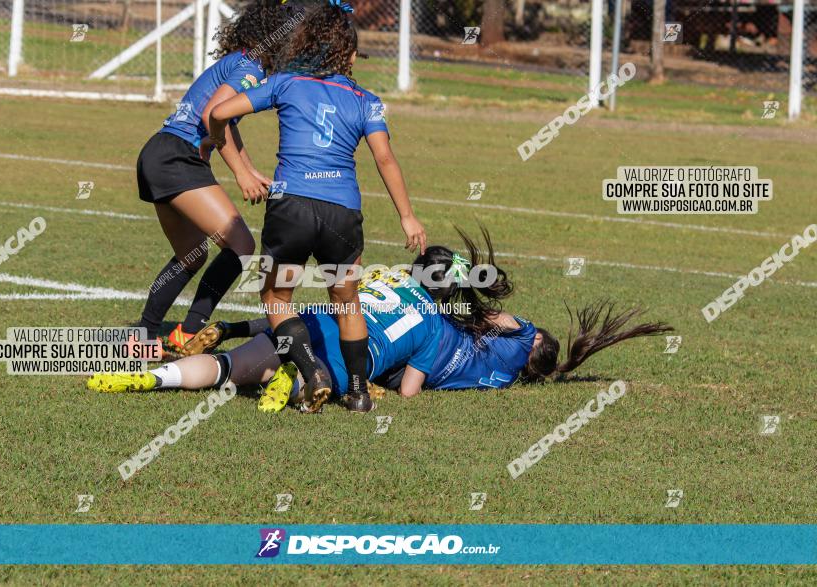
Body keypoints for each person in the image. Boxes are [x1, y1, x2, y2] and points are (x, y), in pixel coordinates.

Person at [88, 228, 673, 408]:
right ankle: (272, 373)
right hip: (349, 361)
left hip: (322, 321)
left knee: (280, 330)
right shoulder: (447, 337)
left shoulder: (401, 285)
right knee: (244, 369)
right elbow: (415, 386)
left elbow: (335, 301)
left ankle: (218, 350)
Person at [202, 1, 426, 414]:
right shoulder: (367, 100)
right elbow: (385, 159)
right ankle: (358, 394)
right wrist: (407, 216)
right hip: (343, 214)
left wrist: (220, 142)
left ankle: (311, 371)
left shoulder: (286, 82)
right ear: (351, 56)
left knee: (275, 296)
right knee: (347, 302)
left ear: (304, 44)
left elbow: (218, 112)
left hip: (292, 208)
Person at [133, 0, 296, 353]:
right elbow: (213, 116)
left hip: (159, 153)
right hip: (178, 157)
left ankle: (144, 336)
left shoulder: (241, 60)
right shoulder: (250, 68)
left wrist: (250, 169)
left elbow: (227, 125)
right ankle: (189, 331)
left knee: (191, 253)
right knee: (242, 245)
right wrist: (240, 175)